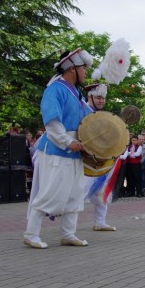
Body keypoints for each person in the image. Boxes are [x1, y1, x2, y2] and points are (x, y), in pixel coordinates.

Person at [24, 48, 94, 248]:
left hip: (74, 151)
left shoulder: (77, 94)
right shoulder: (55, 89)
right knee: (50, 192)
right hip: (56, 148)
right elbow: (52, 120)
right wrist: (66, 141)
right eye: (84, 68)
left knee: (73, 194)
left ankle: (68, 233)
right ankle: (31, 233)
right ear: (72, 69)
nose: (86, 72)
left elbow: (91, 119)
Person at [82, 83, 117, 231]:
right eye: (98, 97)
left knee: (102, 190)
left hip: (100, 159)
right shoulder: (81, 110)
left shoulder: (102, 116)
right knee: (78, 192)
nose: (101, 101)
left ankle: (100, 222)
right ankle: (68, 228)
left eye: (103, 98)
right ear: (89, 97)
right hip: (82, 160)